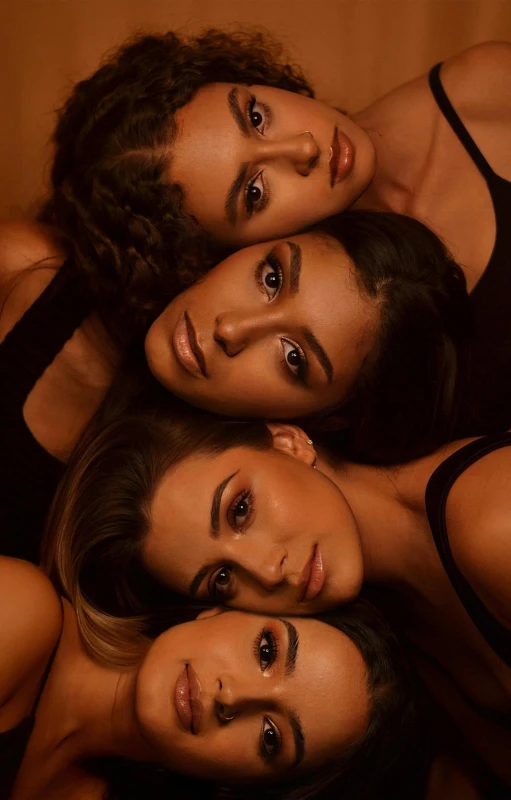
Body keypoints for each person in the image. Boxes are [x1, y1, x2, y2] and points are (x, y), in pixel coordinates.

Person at [32, 30, 511, 434]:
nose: (303, 147)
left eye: (255, 117)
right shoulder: (317, 379)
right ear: (217, 260)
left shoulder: (485, 95)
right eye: (255, 193)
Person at [43, 410, 511, 790]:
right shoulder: (392, 643)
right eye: (222, 578)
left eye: (240, 510)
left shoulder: (493, 526)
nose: (267, 571)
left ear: (287, 441)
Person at [0, 212, 469, 564]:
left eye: (293, 359)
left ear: (315, 421)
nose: (232, 329)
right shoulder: (28, 269)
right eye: (271, 277)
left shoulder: (206, 543)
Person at [0, 555, 420, 800]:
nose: (232, 697)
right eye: (267, 650)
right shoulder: (21, 611)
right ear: (223, 608)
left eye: (271, 737)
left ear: (246, 784)